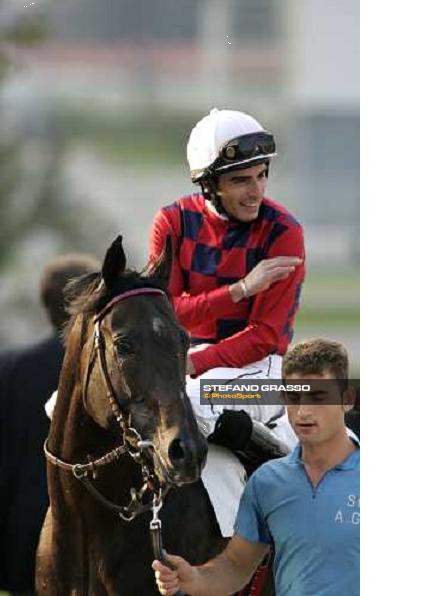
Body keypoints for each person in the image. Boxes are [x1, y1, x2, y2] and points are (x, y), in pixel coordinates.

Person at [148, 108, 306, 536]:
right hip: (189, 361)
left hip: (262, 372)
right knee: (63, 403)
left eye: (261, 176)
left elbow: (264, 337)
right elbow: (165, 310)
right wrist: (239, 291)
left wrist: (193, 364)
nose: (256, 191)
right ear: (208, 184)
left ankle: (281, 460)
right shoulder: (173, 223)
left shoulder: (283, 232)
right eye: (241, 180)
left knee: (192, 400)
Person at [153, 338, 360, 596]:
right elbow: (235, 567)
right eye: (293, 398)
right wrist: (192, 577)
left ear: (347, 398)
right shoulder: (266, 482)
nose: (304, 412)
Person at [0, 254, 99, 596]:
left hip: (21, 536)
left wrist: (2, 511)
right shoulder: (111, 372)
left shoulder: (3, 370)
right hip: (96, 537)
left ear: (46, 303)